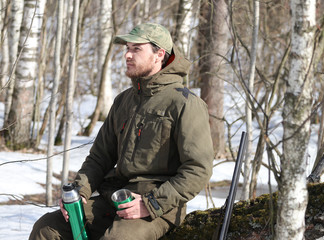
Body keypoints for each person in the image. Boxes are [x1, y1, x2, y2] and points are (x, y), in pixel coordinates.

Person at [29, 22, 214, 240]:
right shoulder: (123, 101)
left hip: (159, 208)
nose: (127, 55)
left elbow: (198, 169)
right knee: (47, 228)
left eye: (137, 49)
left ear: (159, 54)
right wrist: (80, 192)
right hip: (115, 197)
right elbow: (100, 157)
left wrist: (151, 204)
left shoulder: (185, 103)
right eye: (127, 48)